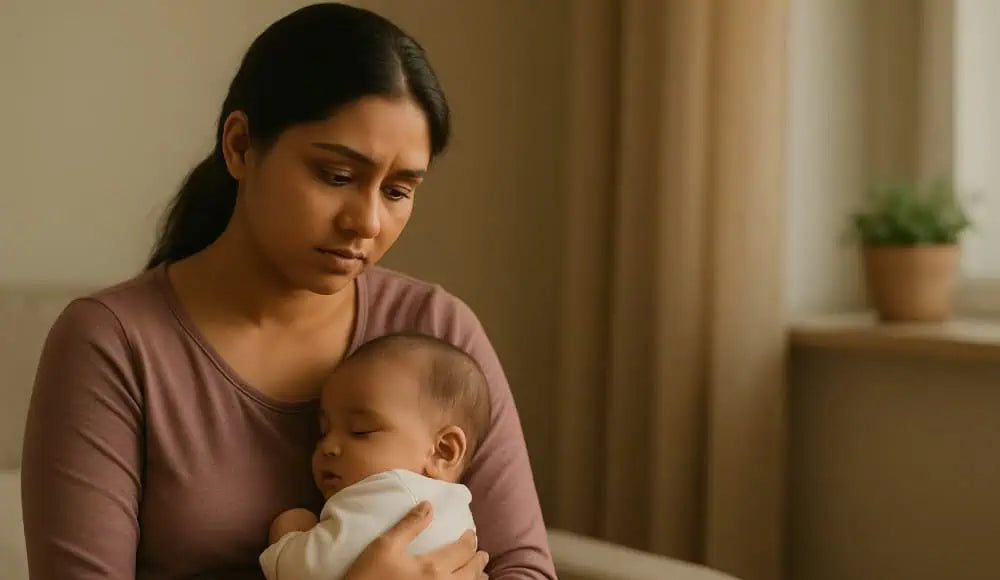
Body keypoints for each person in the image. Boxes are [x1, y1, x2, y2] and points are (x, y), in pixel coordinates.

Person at [20, 3, 555, 579]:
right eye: (337, 176)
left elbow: (524, 568)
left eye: (398, 191)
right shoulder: (113, 343)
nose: (367, 222)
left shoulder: (437, 329)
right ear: (241, 146)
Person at [260, 333, 491, 580]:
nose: (328, 446)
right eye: (324, 431)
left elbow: (307, 571)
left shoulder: (392, 493)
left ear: (443, 451)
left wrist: (287, 536)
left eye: (361, 431)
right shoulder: (456, 509)